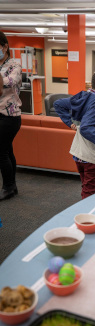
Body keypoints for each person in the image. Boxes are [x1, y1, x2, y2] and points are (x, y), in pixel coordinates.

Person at [54, 69, 95, 199]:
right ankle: (87, 218)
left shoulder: (83, 96)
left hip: (79, 154)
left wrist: (70, 122)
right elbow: (86, 128)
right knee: (90, 193)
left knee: (86, 188)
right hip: (91, 155)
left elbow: (58, 104)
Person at [0, 31, 22, 201]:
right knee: (7, 149)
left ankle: (8, 186)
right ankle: (12, 185)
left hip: (10, 115)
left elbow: (10, 82)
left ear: (5, 46)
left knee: (1, 151)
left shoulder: (14, 65)